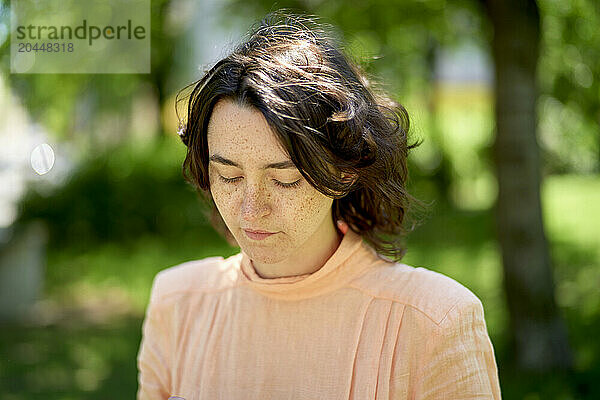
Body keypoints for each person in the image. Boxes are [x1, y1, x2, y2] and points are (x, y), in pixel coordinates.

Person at [137, 10, 501, 399]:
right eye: (229, 176)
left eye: (285, 179)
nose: (250, 209)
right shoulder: (176, 304)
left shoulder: (433, 322)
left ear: (344, 171)